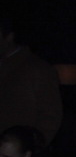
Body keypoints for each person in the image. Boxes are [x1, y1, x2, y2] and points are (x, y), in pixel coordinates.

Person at [0, 16, 62, 146]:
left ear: (9, 37)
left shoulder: (38, 69)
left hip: (18, 153)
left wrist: (30, 149)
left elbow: (50, 117)